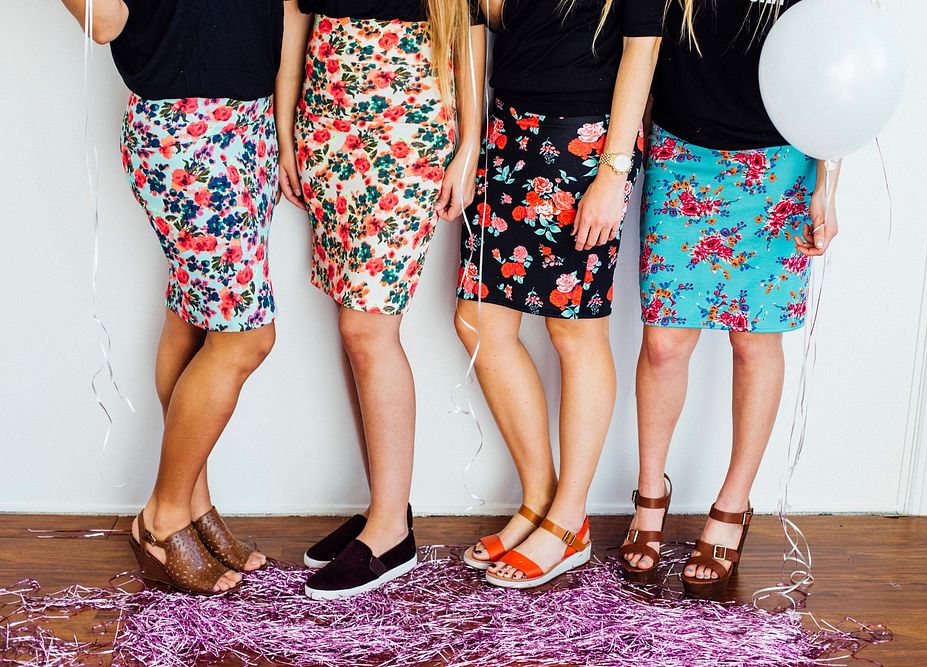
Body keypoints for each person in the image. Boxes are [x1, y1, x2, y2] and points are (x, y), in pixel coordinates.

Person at [59, 0, 293, 595]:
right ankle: (162, 520)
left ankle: (193, 504)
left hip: (252, 118)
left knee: (193, 316)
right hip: (183, 125)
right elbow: (104, 22)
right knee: (246, 337)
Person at [621, 0, 839, 598]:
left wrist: (828, 185)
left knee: (753, 342)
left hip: (778, 165)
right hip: (679, 154)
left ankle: (732, 506)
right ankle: (649, 496)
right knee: (664, 344)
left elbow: (831, 71)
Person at [275, 0, 485, 598]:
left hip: (406, 126)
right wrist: (288, 133)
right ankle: (383, 510)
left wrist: (469, 144)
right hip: (328, 121)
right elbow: (296, 19)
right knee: (352, 326)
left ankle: (392, 530)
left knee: (369, 329)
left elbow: (466, 28)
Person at [456, 0, 662, 588]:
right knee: (477, 323)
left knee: (574, 331)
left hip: (585, 142)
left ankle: (570, 518)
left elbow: (641, 46)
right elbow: (493, 17)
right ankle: (541, 499)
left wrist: (614, 171)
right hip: (507, 128)